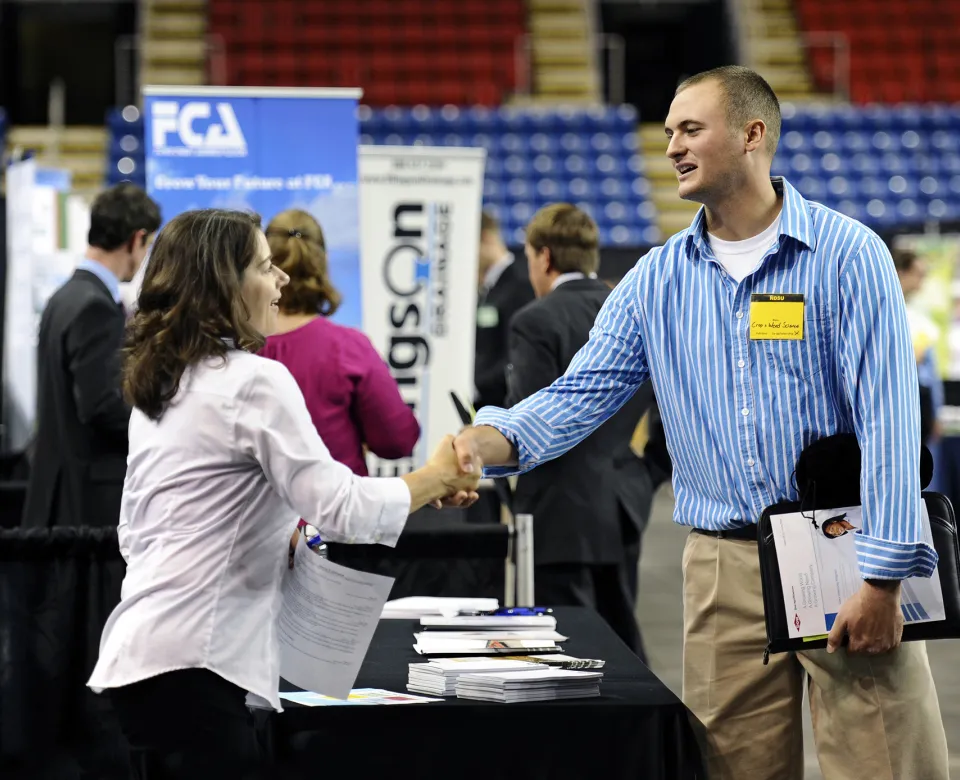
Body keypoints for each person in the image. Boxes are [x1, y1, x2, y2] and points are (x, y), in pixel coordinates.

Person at [451, 66, 949, 779]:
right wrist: (482, 443)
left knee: (885, 763)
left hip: (847, 550)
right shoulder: (656, 279)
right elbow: (576, 396)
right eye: (668, 134)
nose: (673, 148)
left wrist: (884, 578)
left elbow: (890, 422)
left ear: (753, 135)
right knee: (730, 768)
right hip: (722, 568)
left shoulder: (848, 256)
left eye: (691, 129)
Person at [86, 208, 480, 779]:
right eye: (266, 267)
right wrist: (437, 477)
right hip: (197, 668)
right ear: (226, 283)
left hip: (147, 662)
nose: (283, 280)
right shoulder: (252, 380)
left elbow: (137, 533)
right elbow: (340, 507)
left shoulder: (165, 381)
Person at [505, 202, 650, 657]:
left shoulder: (535, 321)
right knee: (622, 644)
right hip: (624, 502)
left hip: (555, 511)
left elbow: (529, 418)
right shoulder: (630, 313)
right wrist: (649, 472)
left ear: (544, 257)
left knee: (563, 652)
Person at [22, 183, 161, 529]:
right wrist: (160, 431)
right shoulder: (95, 306)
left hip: (59, 489)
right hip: (86, 499)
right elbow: (102, 405)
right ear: (136, 239)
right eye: (148, 245)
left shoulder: (65, 297)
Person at [259, 209, 419, 476]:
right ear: (323, 262)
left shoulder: (233, 347)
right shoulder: (348, 348)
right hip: (335, 512)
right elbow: (397, 439)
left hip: (251, 514)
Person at [474, 210, 535, 410]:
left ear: (485, 239)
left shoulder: (520, 285)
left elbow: (518, 356)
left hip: (504, 408)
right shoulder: (489, 289)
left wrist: (476, 383)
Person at [893, 246, 943, 446]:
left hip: (920, 397)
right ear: (901, 273)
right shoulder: (888, 313)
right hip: (899, 400)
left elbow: (930, 372)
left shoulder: (917, 315)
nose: (921, 282)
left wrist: (936, 411)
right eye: (918, 275)